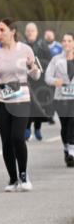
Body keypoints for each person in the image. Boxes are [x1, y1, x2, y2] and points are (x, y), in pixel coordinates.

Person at [0, 17, 43, 191]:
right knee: (6, 142)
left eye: (2, 30)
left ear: (12, 32)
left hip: (22, 98)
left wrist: (32, 66)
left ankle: (23, 175)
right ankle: (12, 178)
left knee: (18, 137)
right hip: (3, 100)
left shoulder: (25, 49)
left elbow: (37, 76)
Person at [44, 32, 74, 167]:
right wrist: (58, 81)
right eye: (64, 40)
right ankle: (66, 149)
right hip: (60, 98)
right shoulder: (56, 59)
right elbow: (47, 78)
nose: (66, 43)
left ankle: (72, 152)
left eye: (69, 40)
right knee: (65, 126)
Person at [23, 22, 53, 140]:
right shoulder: (22, 46)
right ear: (25, 33)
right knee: (28, 104)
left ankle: (37, 128)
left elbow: (50, 61)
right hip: (27, 80)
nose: (30, 33)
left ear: (36, 32)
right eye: (28, 31)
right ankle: (27, 128)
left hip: (41, 80)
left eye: (32, 31)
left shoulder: (43, 45)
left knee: (39, 105)